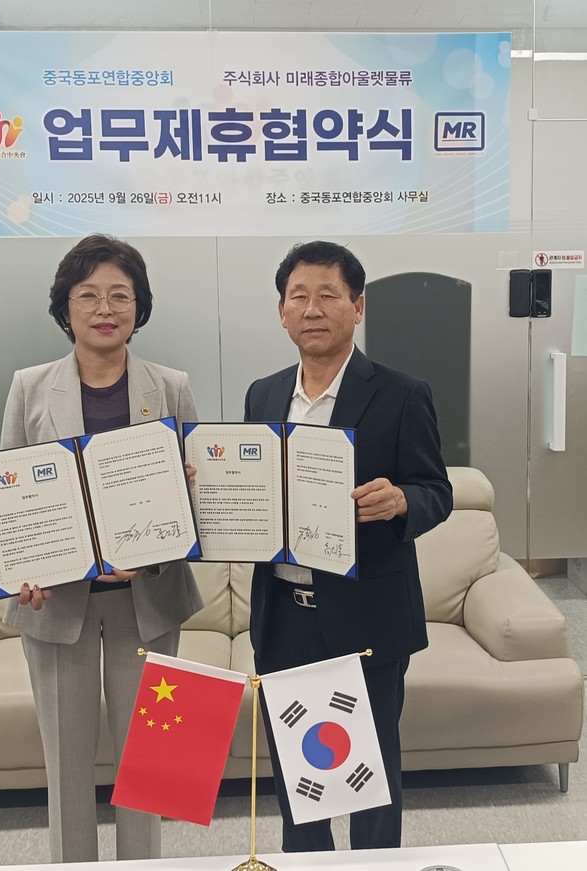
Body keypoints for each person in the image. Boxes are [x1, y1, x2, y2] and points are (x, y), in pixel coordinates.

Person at [244, 241, 453, 852]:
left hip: (368, 617)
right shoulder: (263, 394)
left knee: (371, 779)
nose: (312, 309)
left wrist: (403, 501)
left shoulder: (402, 393)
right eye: (298, 297)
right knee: (299, 781)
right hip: (283, 618)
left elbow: (437, 491)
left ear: (357, 307)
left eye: (328, 295)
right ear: (282, 312)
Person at [0, 234, 203, 863]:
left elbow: (197, 507)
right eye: (87, 295)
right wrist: (21, 571)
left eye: (120, 295)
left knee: (150, 769)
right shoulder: (29, 388)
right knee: (66, 772)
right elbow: (9, 498)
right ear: (65, 308)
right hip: (60, 608)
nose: (104, 309)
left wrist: (181, 504)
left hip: (149, 604)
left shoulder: (171, 387)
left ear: (140, 307)